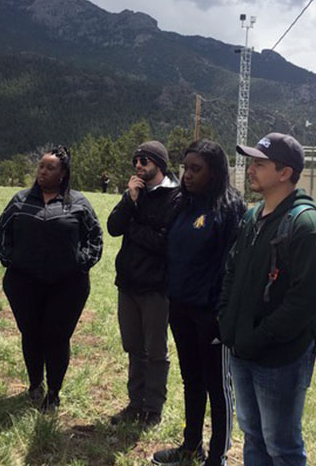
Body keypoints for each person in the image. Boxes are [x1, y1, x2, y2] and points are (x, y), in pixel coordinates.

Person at [218, 132, 316, 465]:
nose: (250, 169)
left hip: (280, 358)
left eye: (259, 164)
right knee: (253, 436)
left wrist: (260, 337)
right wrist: (226, 319)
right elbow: (232, 270)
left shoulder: (306, 226)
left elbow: (305, 303)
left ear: (284, 173)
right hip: (242, 348)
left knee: (281, 445)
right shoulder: (253, 217)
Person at [153, 139, 245, 466]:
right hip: (179, 306)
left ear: (215, 172)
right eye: (185, 168)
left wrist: (221, 311)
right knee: (191, 378)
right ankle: (191, 446)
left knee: (217, 385)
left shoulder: (230, 209)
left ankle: (216, 457)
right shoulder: (182, 203)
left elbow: (232, 265)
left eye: (196, 169)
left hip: (211, 314)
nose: (187, 175)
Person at [0, 146, 103, 411]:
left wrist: (82, 263)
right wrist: (9, 259)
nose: (43, 171)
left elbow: (95, 236)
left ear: (63, 173)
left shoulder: (77, 203)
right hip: (24, 283)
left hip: (67, 286)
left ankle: (53, 393)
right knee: (30, 333)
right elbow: (2, 230)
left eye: (50, 167)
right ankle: (35, 384)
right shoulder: (21, 200)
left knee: (57, 337)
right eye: (41, 166)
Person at [107, 141, 179, 427]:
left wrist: (133, 227)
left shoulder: (175, 198)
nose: (138, 166)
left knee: (156, 352)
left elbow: (165, 244)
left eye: (144, 161)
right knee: (134, 348)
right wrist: (129, 199)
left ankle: (154, 409)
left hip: (156, 288)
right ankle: (135, 404)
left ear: (159, 165)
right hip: (128, 285)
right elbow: (114, 228)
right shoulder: (134, 195)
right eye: (136, 160)